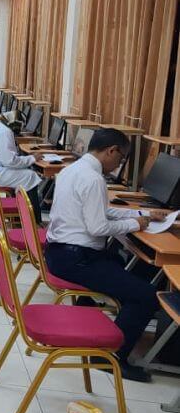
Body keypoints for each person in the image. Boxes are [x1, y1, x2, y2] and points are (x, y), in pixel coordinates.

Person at [44, 128, 164, 382]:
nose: (119, 164)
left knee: (119, 261)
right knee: (146, 296)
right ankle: (110, 357)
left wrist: (141, 215)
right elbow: (97, 227)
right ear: (111, 150)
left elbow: (103, 211)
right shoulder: (93, 179)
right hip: (75, 259)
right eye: (121, 158)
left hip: (60, 253)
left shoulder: (72, 169)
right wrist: (135, 225)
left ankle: (94, 323)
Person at [0, 119, 43, 221]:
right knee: (30, 176)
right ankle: (34, 221)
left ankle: (18, 218)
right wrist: (32, 158)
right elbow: (9, 161)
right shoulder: (5, 133)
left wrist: (26, 160)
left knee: (24, 173)